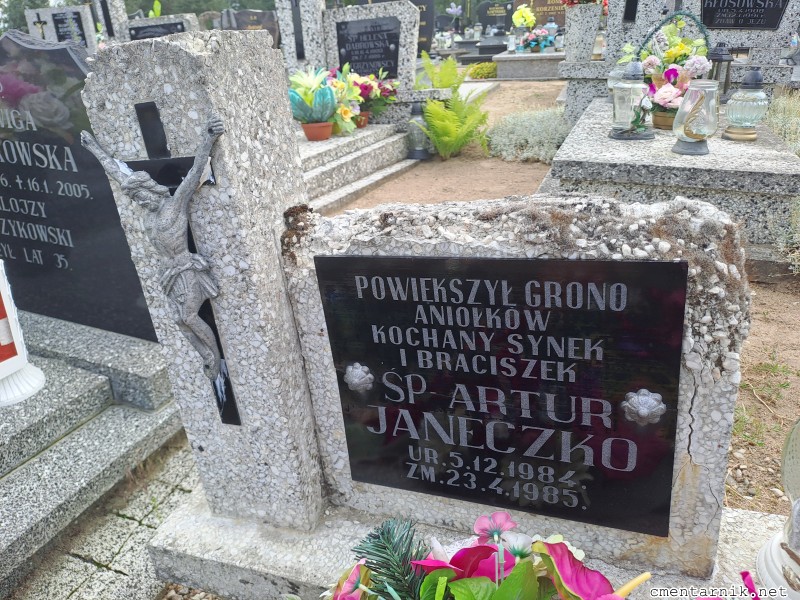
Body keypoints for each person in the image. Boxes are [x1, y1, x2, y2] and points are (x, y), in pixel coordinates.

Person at [81, 116, 225, 382]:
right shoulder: (148, 215)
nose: (141, 202)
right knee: (179, 320)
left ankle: (214, 358)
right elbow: (117, 173)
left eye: (142, 196)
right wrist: (94, 148)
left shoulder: (174, 205)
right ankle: (204, 357)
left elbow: (195, 173)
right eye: (136, 199)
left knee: (189, 316)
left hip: (186, 268)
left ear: (153, 190)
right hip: (168, 273)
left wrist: (209, 137)